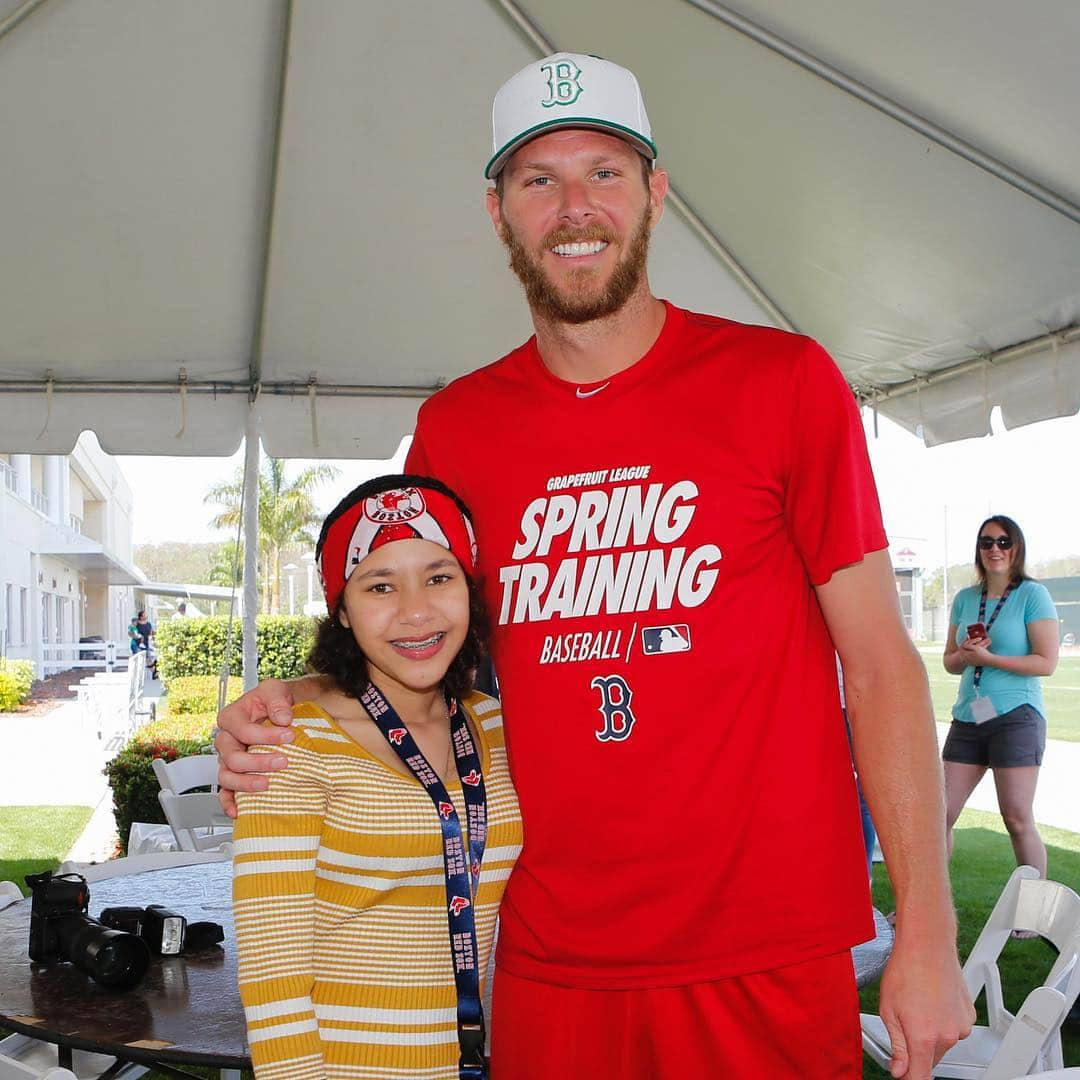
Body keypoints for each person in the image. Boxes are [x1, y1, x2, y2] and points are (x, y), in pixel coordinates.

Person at [216, 53, 973, 1079]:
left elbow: (882, 664)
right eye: (539, 180)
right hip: (550, 953)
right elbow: (416, 639)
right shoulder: (457, 429)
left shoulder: (784, 382)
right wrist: (289, 704)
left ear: (655, 193)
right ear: (500, 212)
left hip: (763, 945)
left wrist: (924, 927)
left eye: (605, 172)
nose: (576, 207)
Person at [233, 474, 522, 1080]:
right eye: (380, 586)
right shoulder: (294, 743)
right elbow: (271, 971)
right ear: (341, 607)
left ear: (469, 589)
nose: (415, 612)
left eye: (439, 578)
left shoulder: (496, 723)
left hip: (478, 1060)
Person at [942, 515, 1059, 883]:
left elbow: (1046, 662)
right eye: (987, 542)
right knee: (939, 814)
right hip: (968, 717)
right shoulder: (964, 599)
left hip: (1015, 717)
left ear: (1017, 547)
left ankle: (1033, 911)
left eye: (1003, 542)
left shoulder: (1032, 594)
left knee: (1016, 817)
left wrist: (991, 660)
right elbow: (950, 663)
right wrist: (965, 654)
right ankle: (928, 908)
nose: (995, 549)